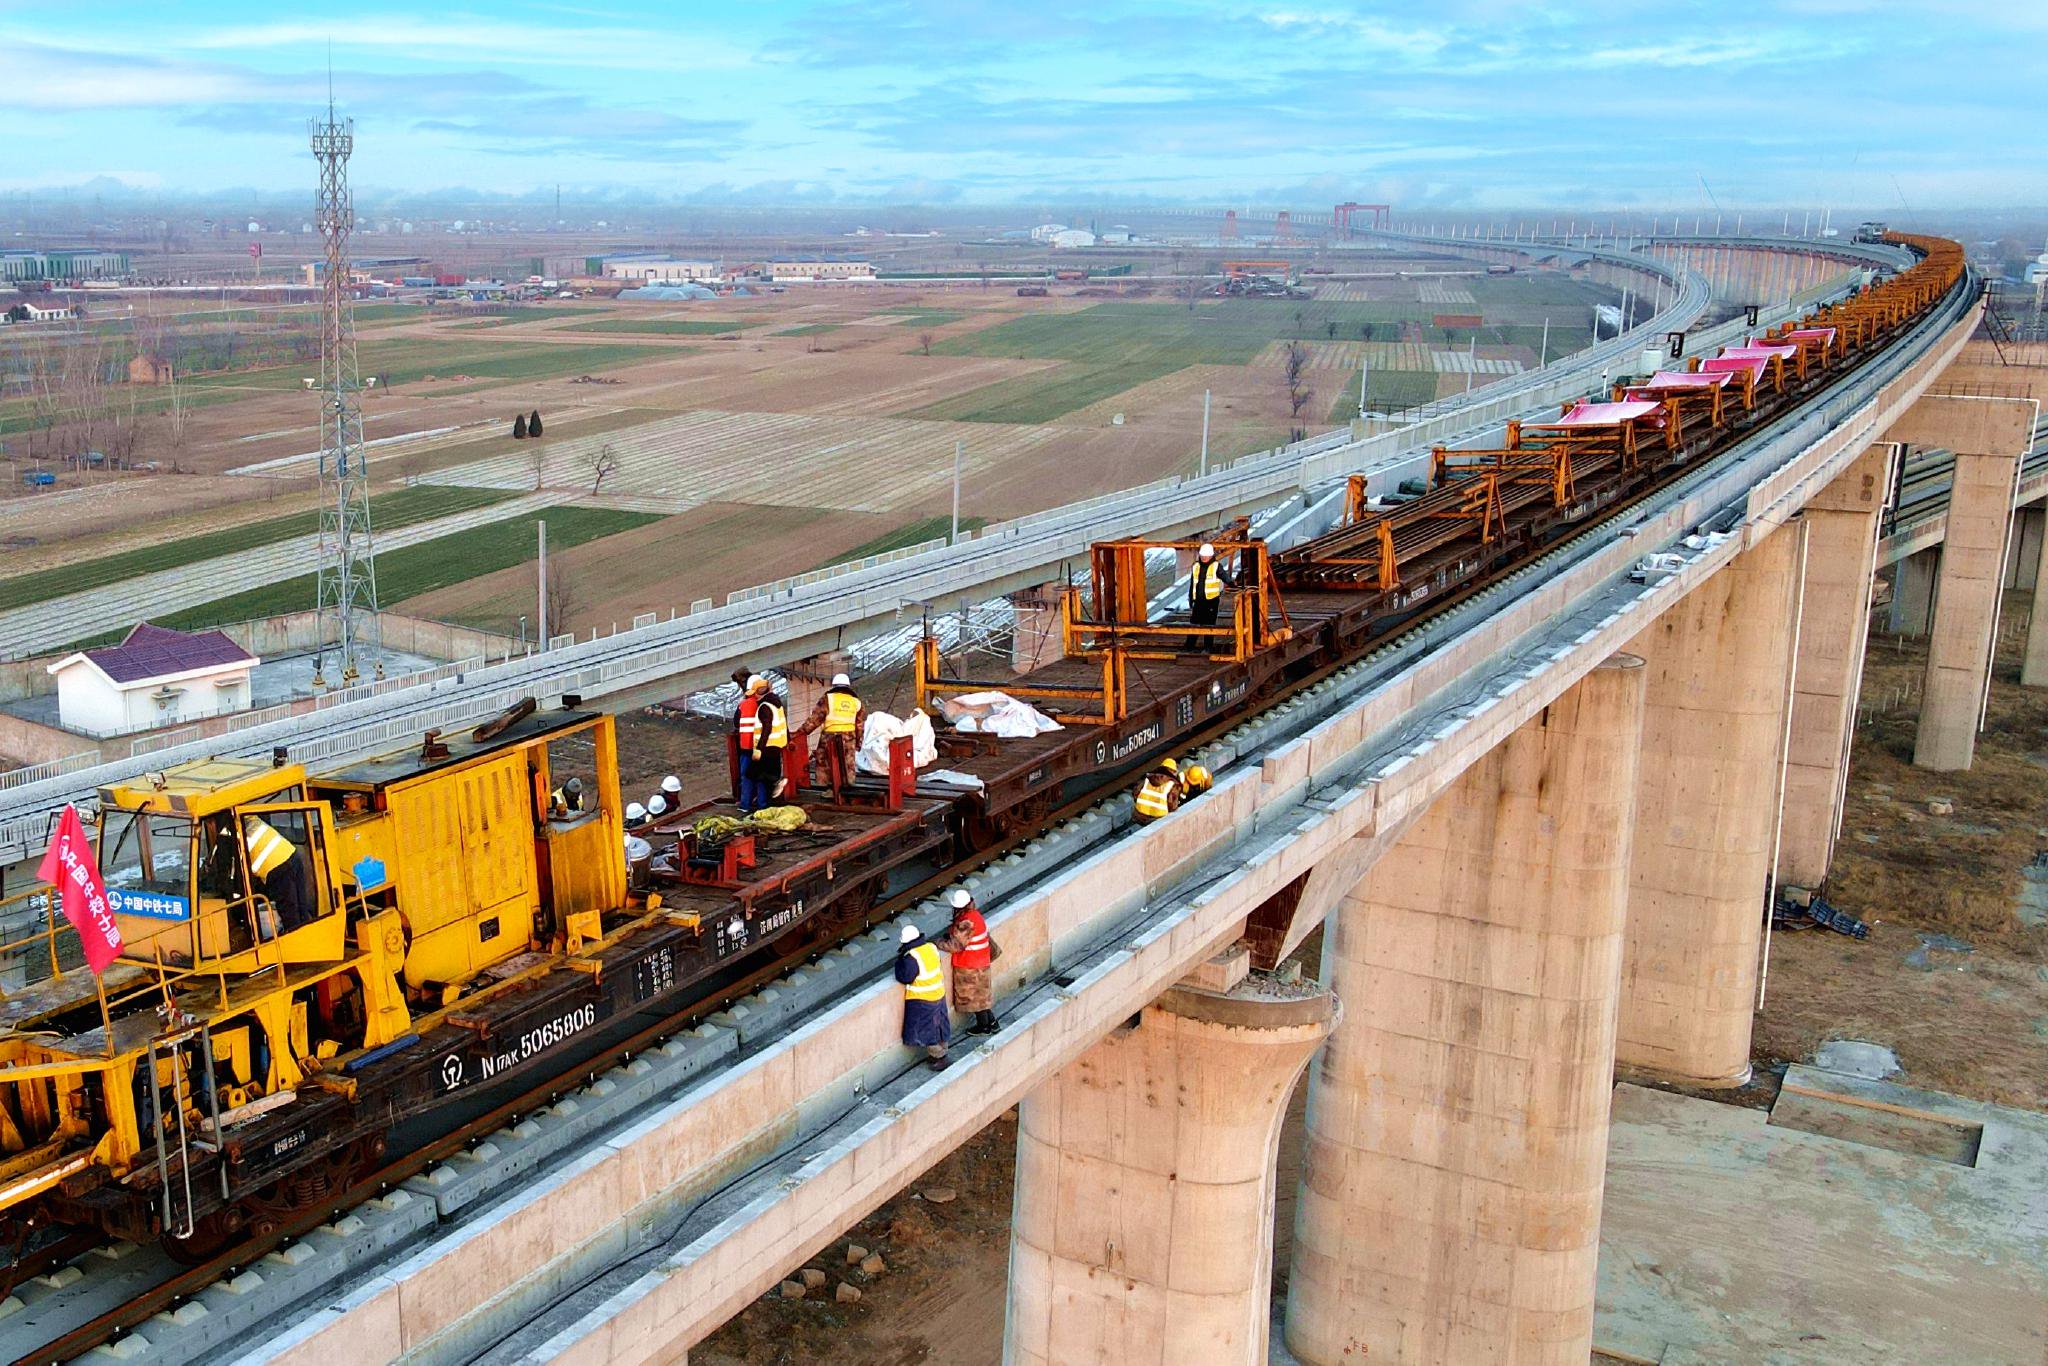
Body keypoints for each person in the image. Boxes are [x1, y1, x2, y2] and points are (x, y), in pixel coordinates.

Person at [936, 888, 1000, 1036]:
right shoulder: (975, 915)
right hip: (981, 961)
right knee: (982, 997)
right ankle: (992, 1023)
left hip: (970, 965)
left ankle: (983, 1026)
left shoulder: (966, 921)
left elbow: (955, 945)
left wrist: (938, 943)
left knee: (975, 999)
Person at [795, 672, 864, 799]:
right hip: (849, 738)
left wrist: (802, 732)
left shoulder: (828, 698)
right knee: (847, 763)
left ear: (834, 685)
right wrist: (859, 742)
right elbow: (859, 725)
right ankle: (846, 788)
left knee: (826, 762)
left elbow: (816, 718)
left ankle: (831, 789)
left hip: (830, 736)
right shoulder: (856, 702)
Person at [242, 812, 314, 933]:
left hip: (276, 868)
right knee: (301, 907)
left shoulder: (228, 830)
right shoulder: (249, 817)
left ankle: (296, 946)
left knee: (289, 914)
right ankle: (307, 937)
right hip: (290, 853)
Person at [894, 923, 951, 1070]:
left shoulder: (911, 957)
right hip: (938, 994)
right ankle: (942, 1051)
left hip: (923, 999)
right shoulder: (931, 947)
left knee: (925, 1031)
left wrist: (900, 962)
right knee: (939, 1027)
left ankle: (939, 1058)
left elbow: (905, 977)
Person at [740, 675, 789, 812]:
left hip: (766, 747)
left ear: (758, 692)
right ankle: (766, 800)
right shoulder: (776, 704)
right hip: (776, 746)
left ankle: (763, 802)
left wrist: (759, 749)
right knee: (764, 775)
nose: (754, 697)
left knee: (754, 774)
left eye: (754, 694)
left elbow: (766, 728)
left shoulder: (764, 707)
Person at [1186, 542, 1231, 651]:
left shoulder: (1216, 566)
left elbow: (1224, 576)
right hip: (1199, 601)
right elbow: (1193, 584)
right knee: (1194, 624)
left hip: (1211, 601)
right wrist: (1191, 598)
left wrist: (1232, 583)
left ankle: (1207, 647)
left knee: (1209, 624)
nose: (1204, 558)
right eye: (1202, 556)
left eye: (1206, 556)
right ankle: (1189, 647)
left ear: (1211, 556)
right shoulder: (1196, 566)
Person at [1134, 758, 1182, 824]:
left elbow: (1135, 793)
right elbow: (1172, 806)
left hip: (1139, 816)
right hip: (1158, 819)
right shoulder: (1171, 785)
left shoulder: (1147, 779)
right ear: (1173, 772)